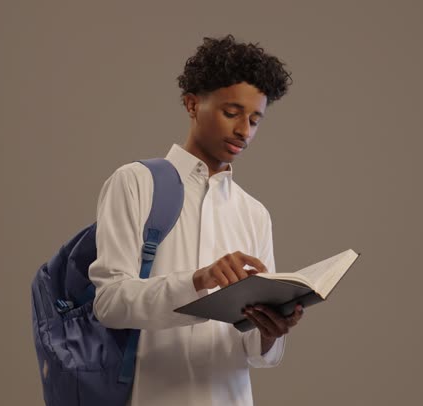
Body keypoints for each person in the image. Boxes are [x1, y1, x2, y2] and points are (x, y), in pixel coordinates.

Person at [88, 33, 303, 406]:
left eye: (255, 119)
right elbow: (109, 302)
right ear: (192, 104)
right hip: (149, 396)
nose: (244, 131)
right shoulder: (136, 182)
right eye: (232, 112)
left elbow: (254, 350)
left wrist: (271, 329)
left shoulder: (254, 213)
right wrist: (198, 281)